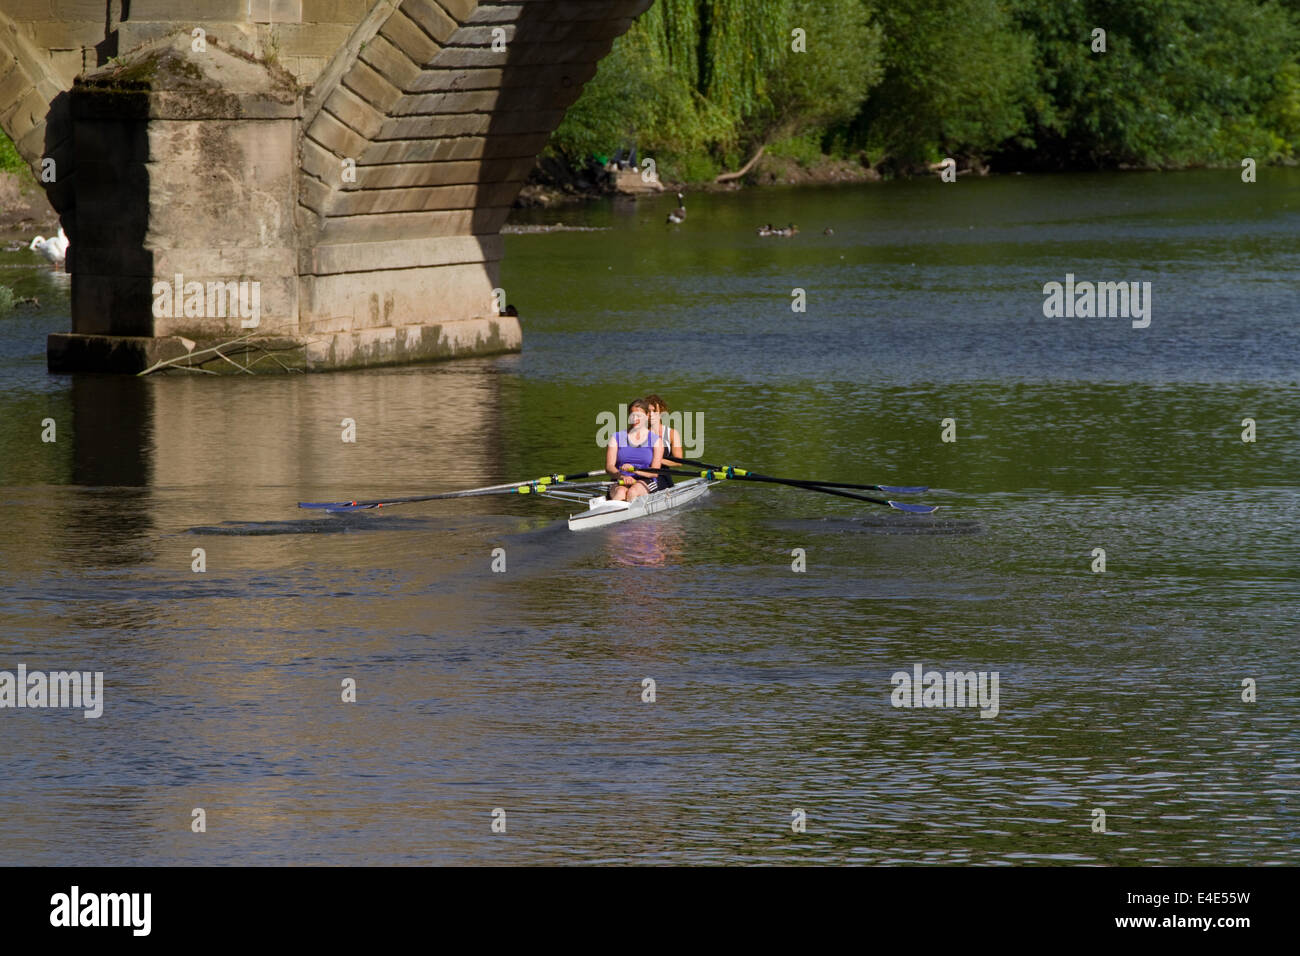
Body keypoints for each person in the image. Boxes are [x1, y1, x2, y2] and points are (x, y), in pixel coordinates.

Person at [606, 399, 663, 501]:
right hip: (620, 478)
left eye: (639, 416)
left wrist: (634, 470)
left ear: (647, 416)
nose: (635, 418)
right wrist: (623, 477)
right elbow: (609, 467)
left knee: (633, 492)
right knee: (620, 493)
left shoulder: (656, 441)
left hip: (645, 479)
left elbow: (654, 472)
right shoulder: (616, 437)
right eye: (632, 415)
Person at [644, 394, 684, 488]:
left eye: (654, 411)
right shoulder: (637, 432)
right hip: (641, 474)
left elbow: (678, 462)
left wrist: (657, 460)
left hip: (661, 476)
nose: (651, 415)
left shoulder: (672, 434)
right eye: (648, 411)